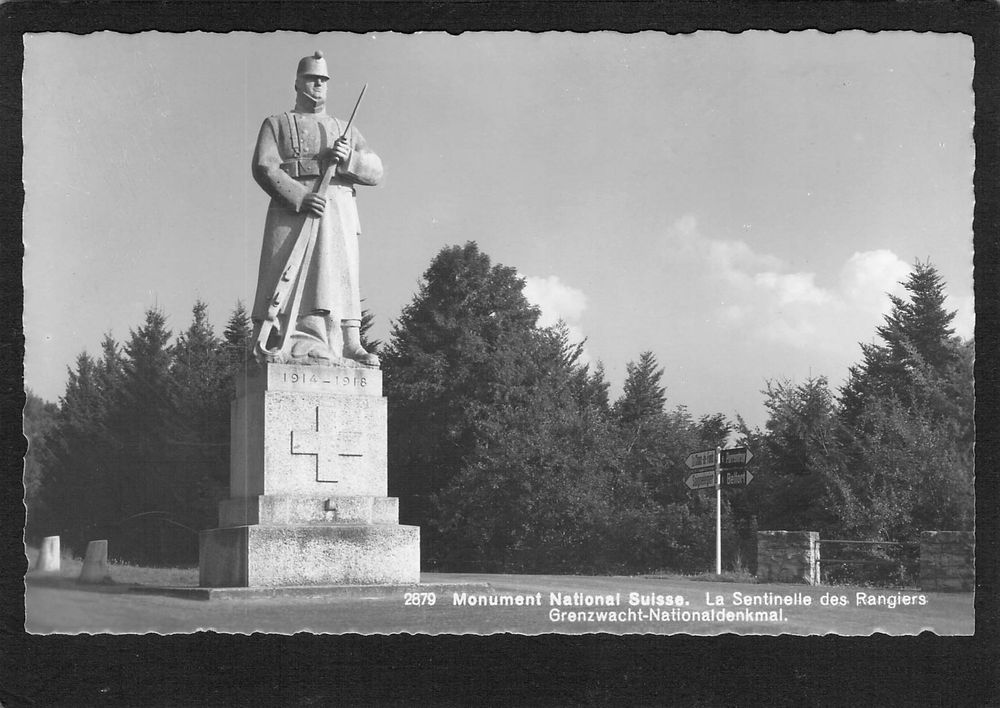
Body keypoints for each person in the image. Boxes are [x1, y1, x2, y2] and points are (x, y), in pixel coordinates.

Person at [250, 50, 383, 366]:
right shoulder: (277, 123)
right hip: (291, 210)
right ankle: (284, 339)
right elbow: (264, 166)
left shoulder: (344, 128)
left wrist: (349, 159)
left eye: (323, 80)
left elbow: (376, 171)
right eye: (311, 79)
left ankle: (350, 342)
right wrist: (298, 195)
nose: (318, 85)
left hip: (337, 210)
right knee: (285, 274)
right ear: (297, 83)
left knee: (341, 274)